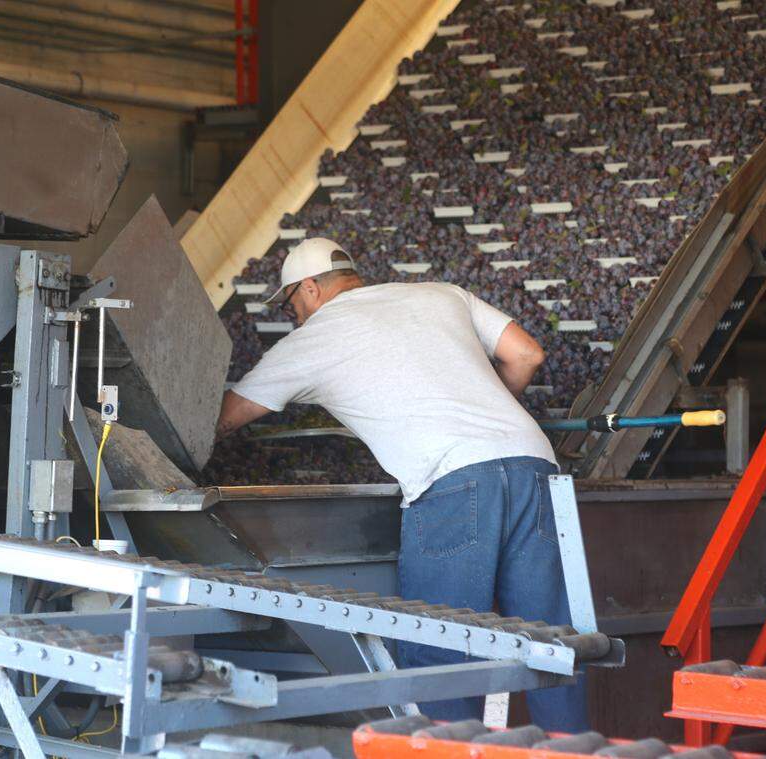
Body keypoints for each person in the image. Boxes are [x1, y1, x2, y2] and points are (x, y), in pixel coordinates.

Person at [214, 237, 588, 731]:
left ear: (309, 289)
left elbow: (225, 419)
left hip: (452, 482)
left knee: (441, 650)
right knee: (551, 645)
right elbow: (528, 354)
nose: (294, 317)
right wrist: (478, 414)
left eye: (291, 306)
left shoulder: (312, 339)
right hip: (536, 466)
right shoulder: (442, 294)